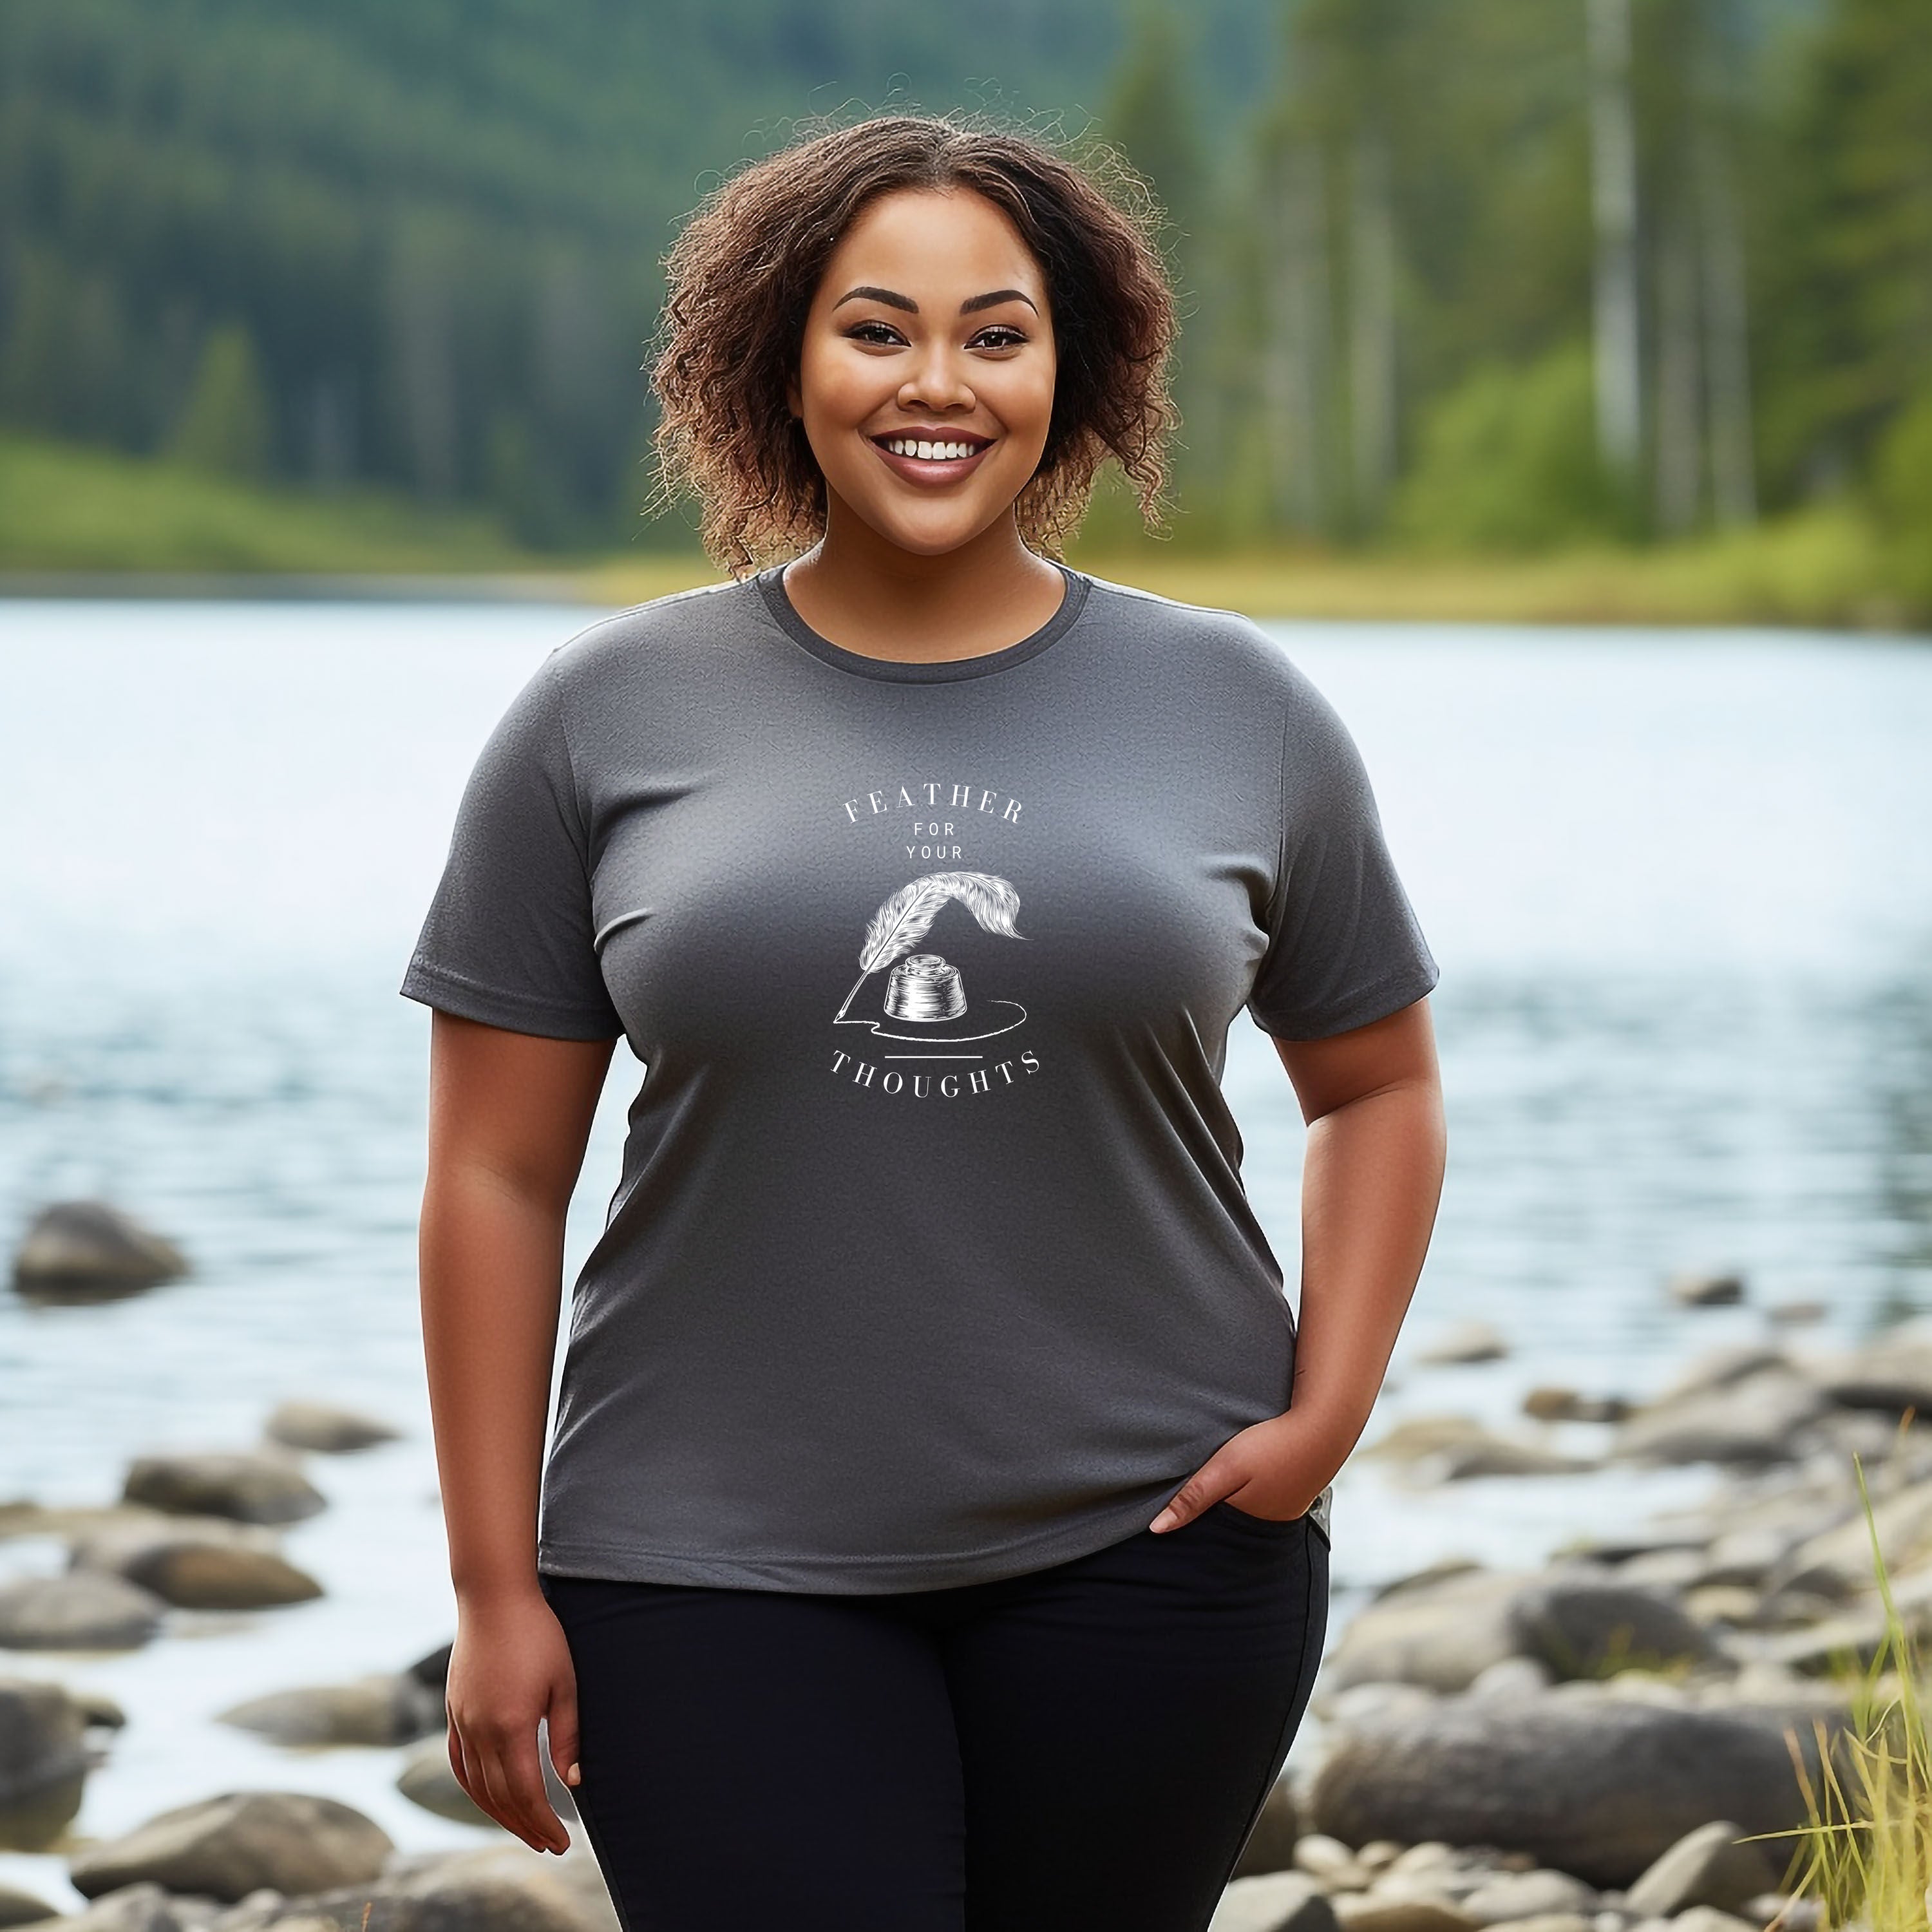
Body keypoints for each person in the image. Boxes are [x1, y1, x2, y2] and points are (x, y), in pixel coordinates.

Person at [404, 111, 1445, 1932]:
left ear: (1075, 366)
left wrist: (1327, 1412)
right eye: (877, 328)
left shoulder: (1235, 705)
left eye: (998, 332)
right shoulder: (604, 712)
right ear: (781, 360)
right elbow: (493, 1176)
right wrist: (497, 1586)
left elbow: (1377, 1084)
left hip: (1156, 1550)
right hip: (698, 1563)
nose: (935, 384)